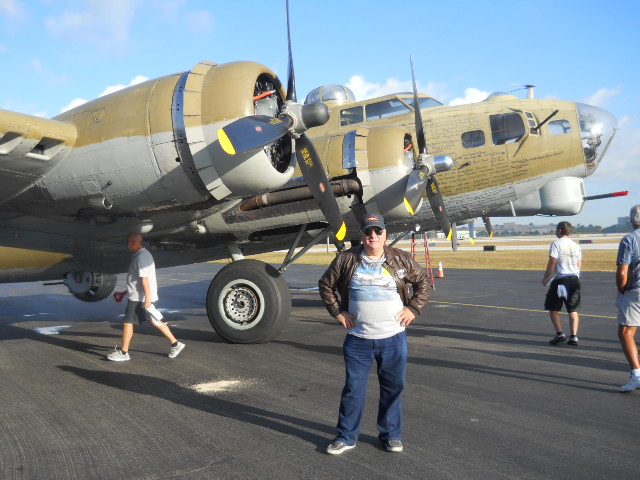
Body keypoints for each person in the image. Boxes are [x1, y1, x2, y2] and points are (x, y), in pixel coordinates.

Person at [318, 213, 430, 455]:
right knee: (353, 389)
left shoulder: (401, 259)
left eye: (378, 231)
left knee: (393, 388)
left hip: (393, 339)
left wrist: (413, 308)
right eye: (368, 231)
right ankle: (346, 436)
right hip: (358, 339)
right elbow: (326, 285)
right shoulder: (346, 259)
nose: (373, 236)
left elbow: (423, 282)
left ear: (385, 234)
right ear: (362, 235)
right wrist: (338, 312)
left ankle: (391, 435)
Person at [107, 233, 185, 361]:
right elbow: (137, 280)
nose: (127, 245)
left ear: (133, 242)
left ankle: (124, 353)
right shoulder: (142, 255)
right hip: (140, 296)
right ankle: (175, 344)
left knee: (128, 322)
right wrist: (125, 292)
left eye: (128, 242)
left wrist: (147, 300)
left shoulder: (141, 257)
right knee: (154, 320)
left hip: (139, 298)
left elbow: (145, 280)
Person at [541, 221, 582, 345]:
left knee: (553, 307)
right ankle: (574, 336)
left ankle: (560, 334)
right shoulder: (576, 246)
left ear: (559, 230)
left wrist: (546, 278)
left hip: (561, 281)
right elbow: (579, 264)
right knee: (572, 309)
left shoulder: (556, 244)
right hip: (574, 280)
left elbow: (552, 263)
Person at [616, 205, 640, 392]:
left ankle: (636, 374)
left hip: (636, 291)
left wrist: (622, 288)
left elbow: (623, 270)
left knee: (626, 332)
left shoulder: (629, 239)